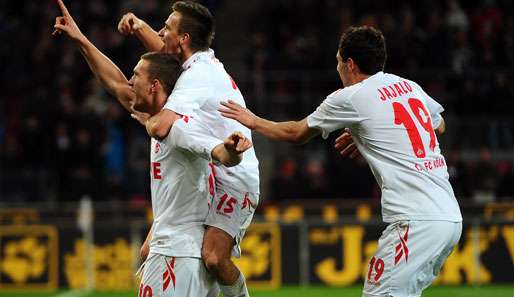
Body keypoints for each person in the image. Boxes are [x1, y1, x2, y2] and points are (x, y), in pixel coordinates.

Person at [220, 26, 462, 297]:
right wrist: (375, 137)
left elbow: (296, 133)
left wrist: (253, 120)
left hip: (416, 220)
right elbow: (438, 126)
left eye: (338, 62)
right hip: (450, 217)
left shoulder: (350, 97)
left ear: (350, 64)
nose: (337, 69)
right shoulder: (409, 86)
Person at [52, 1, 253, 296]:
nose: (130, 81)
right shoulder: (167, 113)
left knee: (215, 257)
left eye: (137, 76)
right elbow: (117, 84)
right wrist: (80, 39)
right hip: (176, 249)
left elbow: (217, 152)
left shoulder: (178, 125)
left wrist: (233, 150)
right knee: (202, 257)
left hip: (176, 254)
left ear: (155, 86)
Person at [118, 2, 259, 296]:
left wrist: (146, 116)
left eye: (167, 28)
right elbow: (161, 59)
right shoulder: (195, 66)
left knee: (213, 257)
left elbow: (160, 127)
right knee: (148, 250)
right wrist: (140, 27)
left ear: (184, 39)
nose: (161, 32)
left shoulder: (197, 76)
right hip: (214, 166)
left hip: (236, 175)